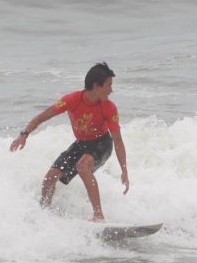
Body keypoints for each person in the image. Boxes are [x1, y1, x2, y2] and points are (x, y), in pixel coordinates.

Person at [9, 62, 129, 222]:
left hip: (102, 143)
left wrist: (124, 170)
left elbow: (118, 140)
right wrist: (24, 135)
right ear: (96, 86)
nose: (111, 90)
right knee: (50, 177)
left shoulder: (109, 107)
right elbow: (42, 117)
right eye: (108, 86)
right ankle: (44, 214)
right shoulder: (72, 100)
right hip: (82, 143)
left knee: (83, 166)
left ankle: (98, 216)